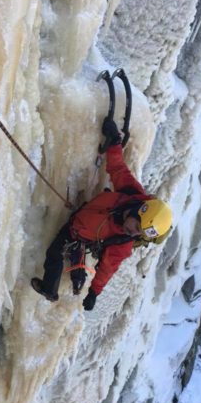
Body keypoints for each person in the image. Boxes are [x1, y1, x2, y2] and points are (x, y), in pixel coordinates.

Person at [31, 117, 172, 311]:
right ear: (139, 211)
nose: (132, 232)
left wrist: (94, 293)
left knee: (54, 253)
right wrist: (114, 142)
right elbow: (118, 169)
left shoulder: (123, 243)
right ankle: (75, 272)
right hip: (82, 216)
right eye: (136, 227)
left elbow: (108, 268)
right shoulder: (131, 194)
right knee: (66, 257)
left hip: (77, 234)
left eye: (138, 234)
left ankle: (50, 289)